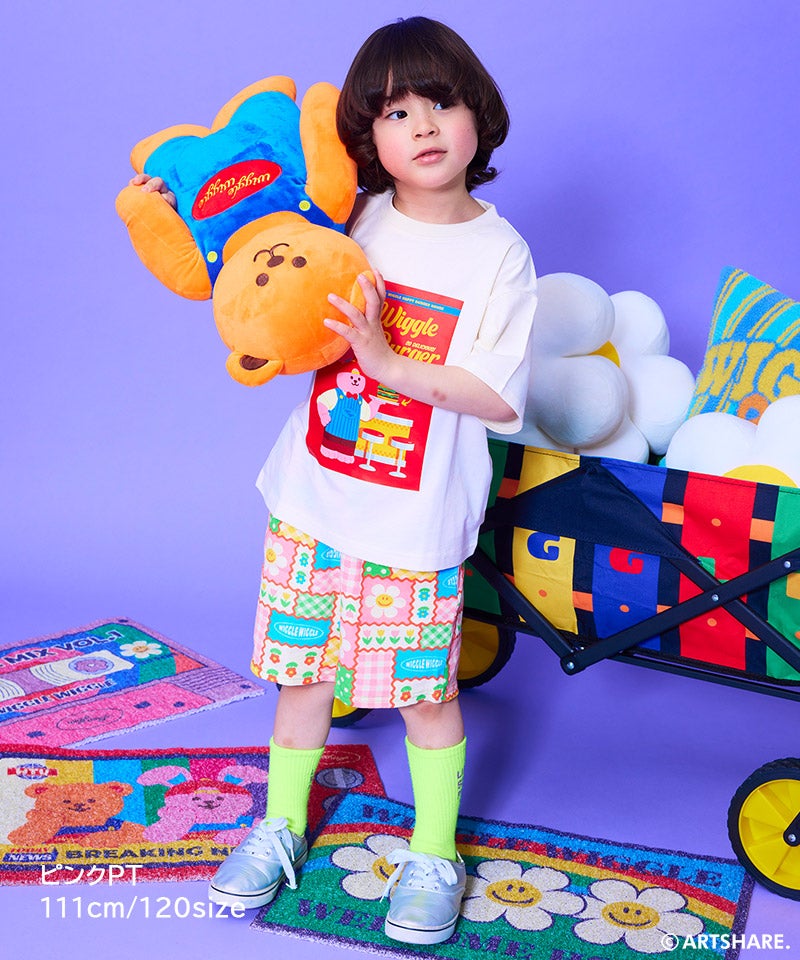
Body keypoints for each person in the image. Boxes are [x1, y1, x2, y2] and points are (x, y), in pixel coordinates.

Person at [133, 16, 537, 946]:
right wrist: (179, 201)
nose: (422, 126)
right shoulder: (351, 215)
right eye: (395, 112)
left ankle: (433, 852)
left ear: (479, 115)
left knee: (425, 695)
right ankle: (280, 825)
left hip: (416, 521)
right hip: (314, 499)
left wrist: (389, 364)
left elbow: (498, 395)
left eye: (442, 103)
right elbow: (251, 235)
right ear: (368, 137)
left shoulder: (500, 255)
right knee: (302, 677)